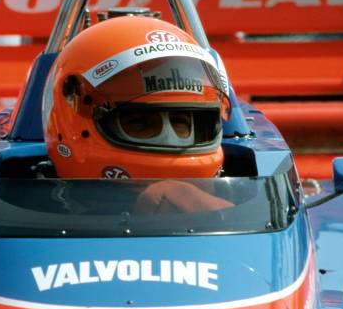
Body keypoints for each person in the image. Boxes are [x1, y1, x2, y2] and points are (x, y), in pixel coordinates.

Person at [42, 15, 234, 212]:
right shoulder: (21, 219)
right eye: (141, 123)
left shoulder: (249, 211)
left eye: (180, 122)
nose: (170, 138)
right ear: (76, 126)